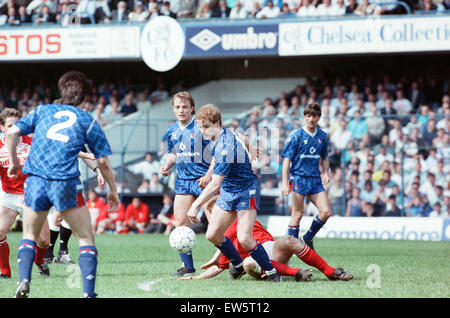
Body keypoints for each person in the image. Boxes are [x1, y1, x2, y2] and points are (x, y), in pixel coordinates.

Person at [7, 71, 120, 298]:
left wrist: (14, 162)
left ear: (61, 90)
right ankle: (88, 293)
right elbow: (104, 161)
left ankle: (24, 281)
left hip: (36, 180)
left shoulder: (41, 111)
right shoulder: (87, 119)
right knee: (86, 238)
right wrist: (113, 191)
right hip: (65, 182)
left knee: (29, 234)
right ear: (84, 97)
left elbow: (12, 131)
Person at [187, 104, 280, 282]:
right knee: (212, 235)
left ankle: (271, 273)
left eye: (206, 127)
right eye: (200, 127)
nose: (203, 131)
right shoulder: (223, 134)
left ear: (217, 123)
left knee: (245, 238)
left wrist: (195, 205)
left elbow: (215, 184)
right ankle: (237, 265)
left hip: (246, 190)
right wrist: (251, 148)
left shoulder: (226, 146)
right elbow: (240, 135)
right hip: (229, 190)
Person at [180, 217, 352, 282]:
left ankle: (330, 272)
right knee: (248, 263)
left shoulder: (245, 216)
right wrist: (197, 277)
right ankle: (296, 273)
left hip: (271, 250)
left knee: (290, 240)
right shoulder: (223, 237)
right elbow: (220, 266)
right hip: (255, 262)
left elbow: (219, 262)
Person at [160, 91, 215, 277]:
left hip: (204, 181)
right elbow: (173, 154)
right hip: (183, 182)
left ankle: (233, 261)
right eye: (177, 107)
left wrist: (209, 175)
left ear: (192, 108)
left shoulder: (201, 128)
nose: (181, 110)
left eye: (185, 106)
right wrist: (167, 165)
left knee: (217, 226)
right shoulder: (171, 131)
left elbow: (217, 155)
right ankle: (188, 266)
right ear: (173, 109)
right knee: (181, 224)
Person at [0, 108, 50, 279]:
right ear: (2, 128)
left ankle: (39, 260)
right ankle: (5, 271)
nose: (15, 129)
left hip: (33, 197)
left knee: (44, 241)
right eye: (10, 125)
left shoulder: (32, 143)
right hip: (10, 197)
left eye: (18, 124)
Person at [281, 103, 332, 250]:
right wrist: (285, 183)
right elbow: (286, 161)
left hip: (315, 180)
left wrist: (325, 173)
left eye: (314, 116)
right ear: (304, 116)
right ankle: (290, 248)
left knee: (326, 212)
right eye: (308, 116)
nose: (311, 119)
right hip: (299, 179)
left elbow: (325, 158)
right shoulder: (296, 136)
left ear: (319, 117)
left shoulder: (322, 136)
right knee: (297, 214)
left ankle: (307, 237)